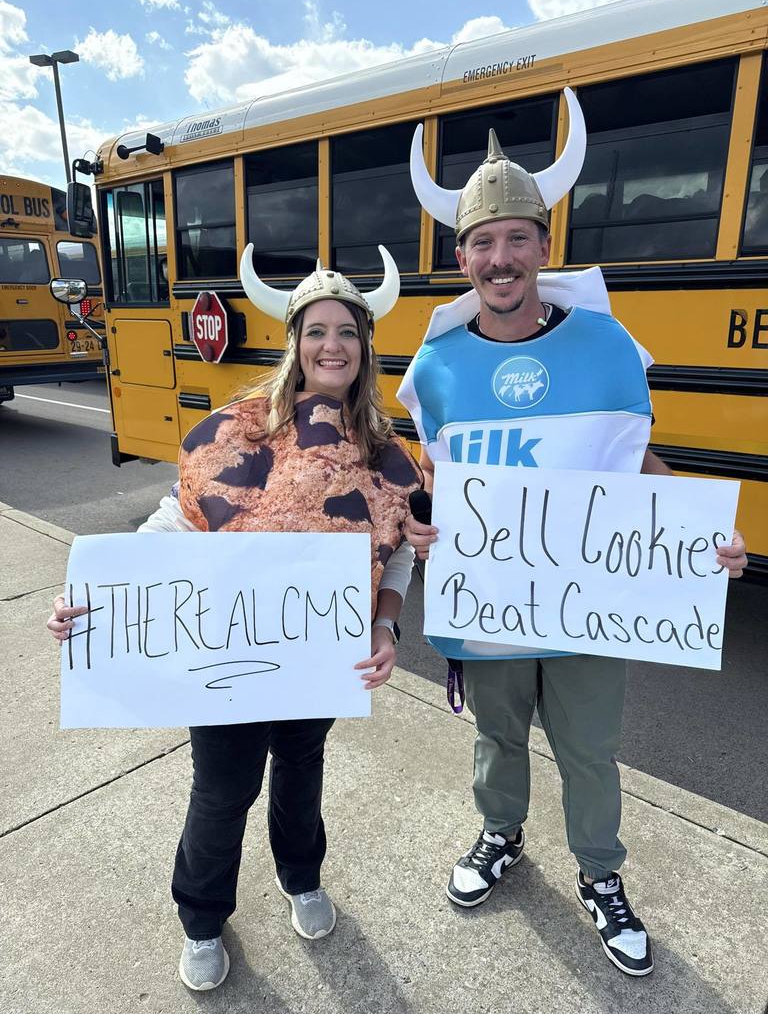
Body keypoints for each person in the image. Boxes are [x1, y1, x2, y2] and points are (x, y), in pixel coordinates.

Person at [398, 88, 748, 978]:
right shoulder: (434, 364)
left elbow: (636, 460)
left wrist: (700, 535)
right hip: (494, 604)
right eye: (483, 242)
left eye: (518, 238)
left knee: (590, 748)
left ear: (545, 248)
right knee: (496, 736)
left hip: (589, 604)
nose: (501, 257)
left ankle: (600, 875)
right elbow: (436, 473)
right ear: (462, 256)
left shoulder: (604, 344)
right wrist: (426, 527)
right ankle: (500, 834)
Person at [47, 244, 422, 992]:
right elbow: (178, 524)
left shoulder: (386, 451)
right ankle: (200, 917)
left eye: (346, 331)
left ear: (365, 345)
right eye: (316, 330)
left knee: (301, 771)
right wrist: (97, 593)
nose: (332, 345)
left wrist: (385, 626)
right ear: (295, 342)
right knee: (222, 790)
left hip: (319, 659)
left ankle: (301, 877)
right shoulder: (238, 431)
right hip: (228, 658)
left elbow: (397, 553)